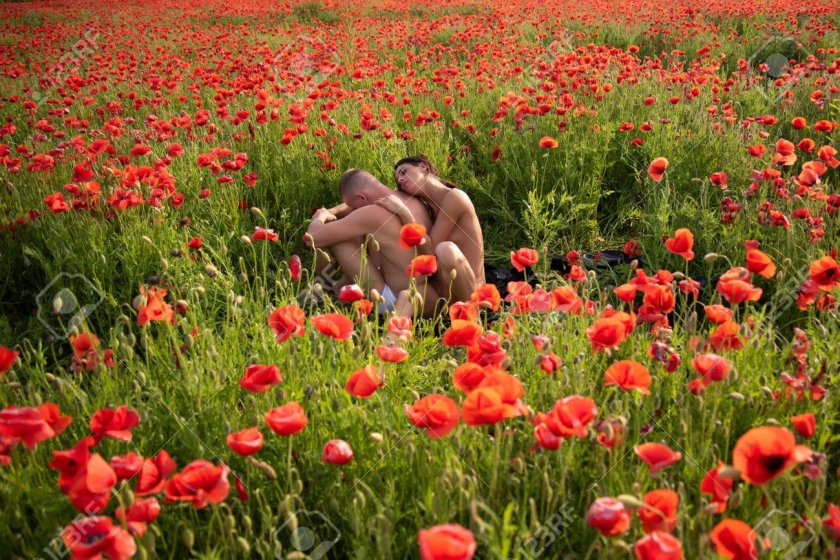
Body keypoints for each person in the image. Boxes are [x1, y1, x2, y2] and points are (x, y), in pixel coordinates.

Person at [304, 169, 440, 317]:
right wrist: (334, 210)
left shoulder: (372, 213)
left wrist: (319, 216)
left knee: (334, 237)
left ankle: (325, 289)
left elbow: (313, 237)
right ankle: (336, 286)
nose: (354, 211)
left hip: (389, 298)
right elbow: (352, 205)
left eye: (355, 208)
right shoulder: (412, 199)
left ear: (362, 197)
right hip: (424, 293)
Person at [376, 155, 485, 304]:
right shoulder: (426, 208)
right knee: (406, 295)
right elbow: (373, 195)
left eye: (404, 172)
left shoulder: (455, 197)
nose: (400, 180)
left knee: (445, 249)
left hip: (473, 292)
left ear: (423, 167)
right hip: (446, 293)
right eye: (397, 180)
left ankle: (476, 316)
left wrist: (404, 214)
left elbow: (431, 251)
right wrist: (334, 212)